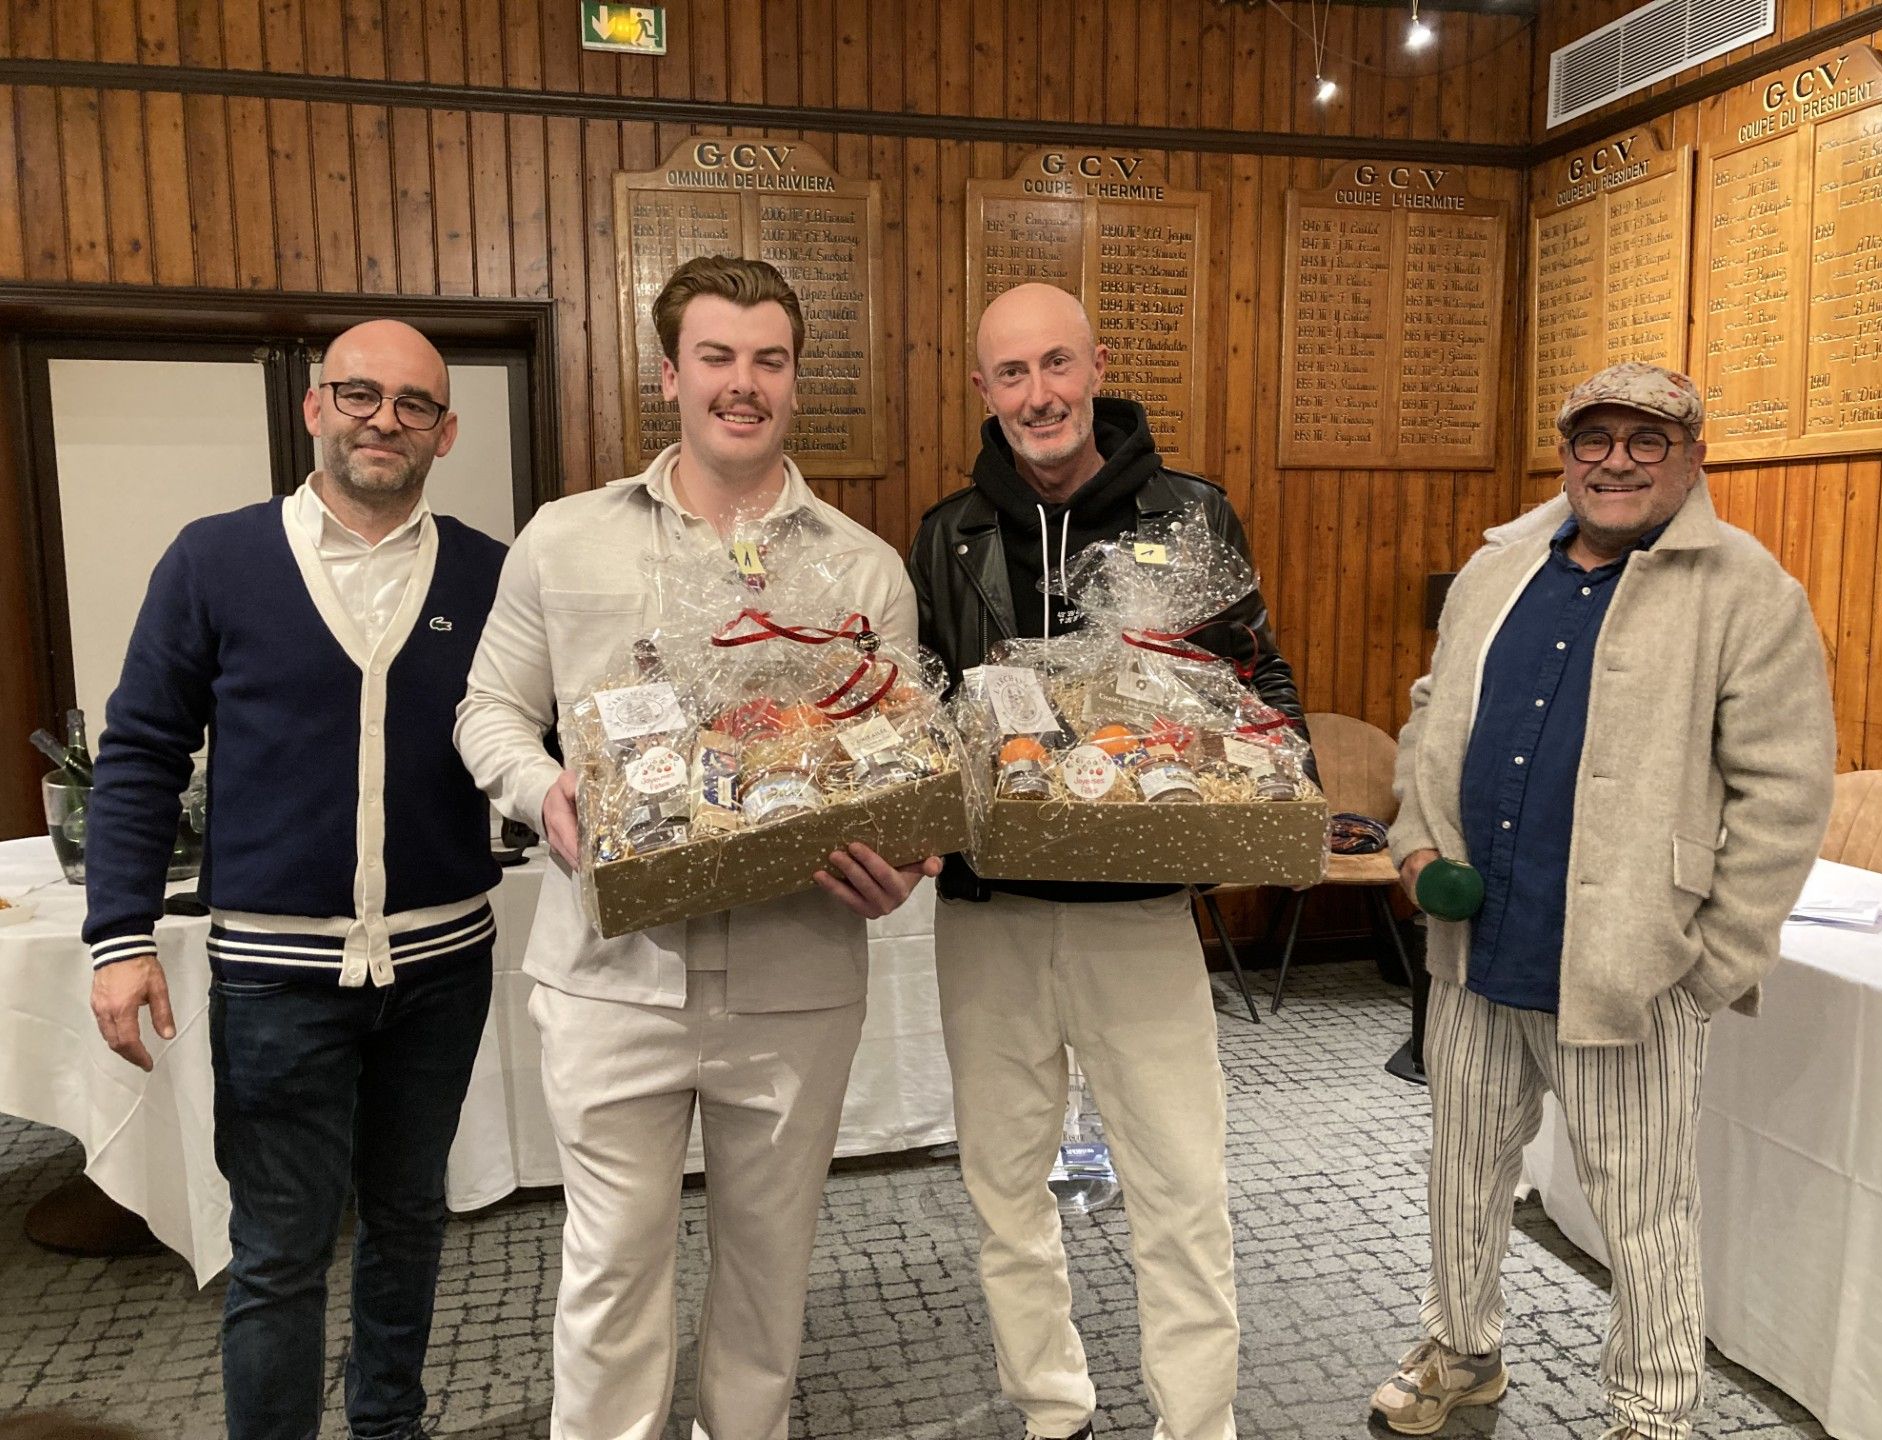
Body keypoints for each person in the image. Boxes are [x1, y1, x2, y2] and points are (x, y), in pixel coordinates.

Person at [454, 254, 936, 1440]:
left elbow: (899, 761)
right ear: (669, 374)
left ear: (795, 381)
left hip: (797, 974)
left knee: (772, 1272)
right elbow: (487, 711)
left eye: (769, 360)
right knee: (611, 1274)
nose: (743, 383)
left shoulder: (864, 568)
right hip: (610, 975)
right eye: (716, 356)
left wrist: (904, 859)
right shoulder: (566, 540)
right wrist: (545, 792)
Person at [1370, 362, 1836, 1440]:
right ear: (1567, 451)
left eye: (1646, 440)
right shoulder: (1498, 567)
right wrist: (1416, 838)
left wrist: (1713, 961)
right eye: (1595, 438)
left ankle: (1654, 1410)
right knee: (1462, 1175)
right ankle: (1460, 1352)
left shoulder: (1747, 591)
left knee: (1644, 1206)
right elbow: (1433, 714)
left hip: (1633, 963)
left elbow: (1786, 793)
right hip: (1477, 950)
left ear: (1692, 457)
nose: (1616, 460)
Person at [84, 321, 506, 1440]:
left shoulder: (491, 574)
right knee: (278, 1248)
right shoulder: (214, 559)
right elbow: (141, 752)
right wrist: (120, 934)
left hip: (443, 964)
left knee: (411, 1218)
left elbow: (547, 738)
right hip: (276, 977)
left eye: (413, 404)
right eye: (358, 394)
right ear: (315, 407)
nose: (383, 419)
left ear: (445, 432)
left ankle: (389, 1425)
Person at [908, 281, 1313, 1440]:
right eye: (1012, 373)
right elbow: (924, 701)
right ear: (983, 390)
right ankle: (1054, 1413)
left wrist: (1284, 782)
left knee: (1180, 1188)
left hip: (1138, 912)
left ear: (1096, 367)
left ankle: (1199, 1424)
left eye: (1056, 364)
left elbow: (1254, 678)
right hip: (989, 913)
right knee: (1004, 1190)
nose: (1038, 394)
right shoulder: (948, 533)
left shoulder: (1190, 514)